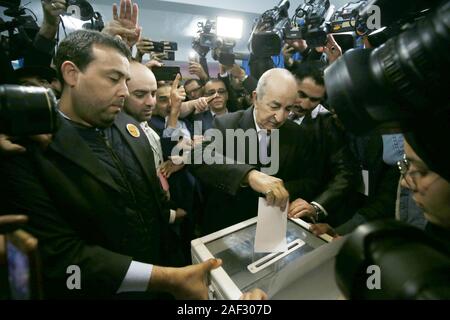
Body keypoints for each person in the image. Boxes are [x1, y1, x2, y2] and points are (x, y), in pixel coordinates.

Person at [0, 30, 221, 299]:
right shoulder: (27, 148)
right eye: (113, 78)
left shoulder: (129, 126)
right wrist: (168, 279)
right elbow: (60, 256)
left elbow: (152, 203)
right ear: (71, 74)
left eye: (126, 80)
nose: (124, 92)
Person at [189, 68, 315, 234]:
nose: (280, 117)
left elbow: (310, 179)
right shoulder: (226, 124)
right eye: (274, 106)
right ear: (255, 98)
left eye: (288, 109)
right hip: (229, 226)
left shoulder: (298, 133)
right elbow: (198, 157)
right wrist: (249, 176)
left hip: (275, 226)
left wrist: (284, 192)